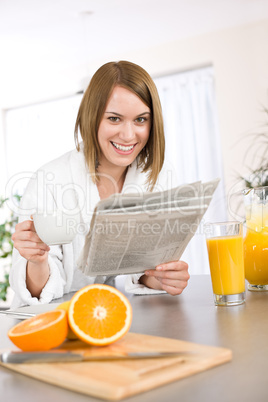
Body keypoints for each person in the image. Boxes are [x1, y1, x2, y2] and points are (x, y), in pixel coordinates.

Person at [10, 60, 190, 308]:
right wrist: (37, 260)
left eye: (140, 120)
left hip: (120, 318)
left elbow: (147, 273)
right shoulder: (49, 181)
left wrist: (165, 279)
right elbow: (36, 293)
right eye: (114, 119)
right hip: (54, 323)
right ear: (92, 118)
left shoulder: (158, 175)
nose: (128, 135)